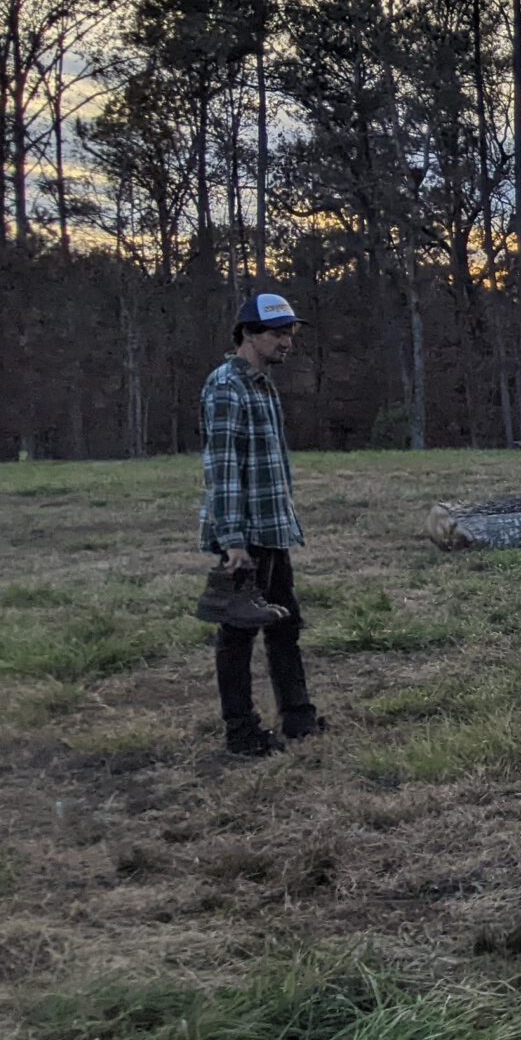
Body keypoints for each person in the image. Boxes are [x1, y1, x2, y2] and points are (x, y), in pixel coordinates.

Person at [197, 290, 323, 756]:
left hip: (271, 528)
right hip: (245, 535)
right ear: (247, 334)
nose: (287, 341)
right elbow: (223, 467)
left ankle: (298, 718)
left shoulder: (262, 384)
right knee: (237, 635)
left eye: (290, 332)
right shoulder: (226, 387)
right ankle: (242, 732)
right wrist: (232, 542)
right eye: (276, 333)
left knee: (285, 624)